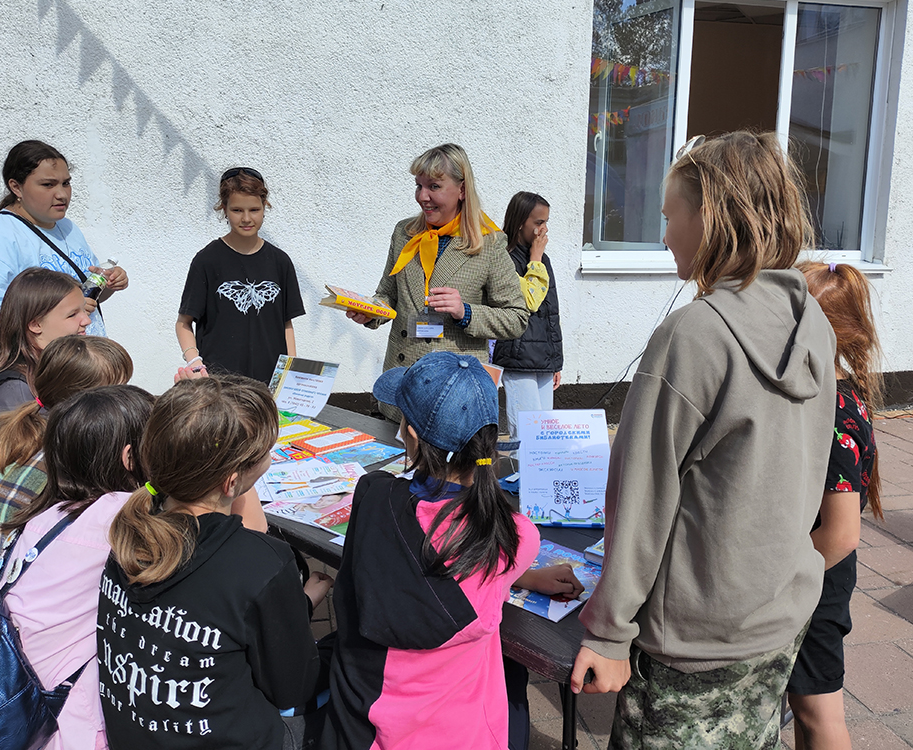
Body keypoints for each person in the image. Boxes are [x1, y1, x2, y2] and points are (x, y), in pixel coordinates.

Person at [569, 131, 837, 749]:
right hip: (778, 614)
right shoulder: (812, 321)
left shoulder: (693, 335)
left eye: (670, 217)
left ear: (710, 218)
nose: (664, 236)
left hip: (693, 638)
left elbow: (642, 496)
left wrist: (609, 633)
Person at [320, 351, 551, 749]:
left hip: (363, 727)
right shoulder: (515, 536)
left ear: (410, 435)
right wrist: (528, 576)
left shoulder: (373, 496)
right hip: (463, 735)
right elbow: (485, 570)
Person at [99, 375, 331, 749]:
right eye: (266, 452)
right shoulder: (262, 563)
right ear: (232, 482)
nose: (270, 459)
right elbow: (294, 688)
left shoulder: (128, 533)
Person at [0, 384, 156, 750]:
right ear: (130, 457)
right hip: (66, 718)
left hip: (16, 695)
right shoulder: (123, 515)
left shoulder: (46, 516)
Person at [346, 143, 528, 423]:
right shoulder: (404, 233)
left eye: (434, 186)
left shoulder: (488, 243)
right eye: (418, 186)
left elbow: (516, 318)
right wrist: (371, 312)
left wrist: (465, 312)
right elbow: (388, 294)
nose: (422, 196)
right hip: (401, 384)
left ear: (462, 190)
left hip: (452, 396)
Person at [787, 261, 883, 750]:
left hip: (817, 576)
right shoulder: (837, 392)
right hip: (816, 571)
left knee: (819, 711)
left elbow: (841, 533)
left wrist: (784, 580)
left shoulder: (835, 409)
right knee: (804, 703)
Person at [0, 139, 129, 402]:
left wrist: (107, 284)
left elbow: (86, 298)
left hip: (71, 377)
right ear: (16, 187)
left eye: (66, 183)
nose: (62, 194)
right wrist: (59, 314)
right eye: (48, 185)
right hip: (23, 385)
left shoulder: (68, 228)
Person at [0, 335, 133, 572]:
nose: (126, 398)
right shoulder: (63, 460)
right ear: (85, 404)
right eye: (118, 390)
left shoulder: (30, 437)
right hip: (7, 585)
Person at [0, 267, 91, 541]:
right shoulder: (11, 389)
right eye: (72, 315)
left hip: (40, 510)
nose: (86, 320)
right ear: (35, 325)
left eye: (85, 310)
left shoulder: (51, 371)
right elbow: (31, 463)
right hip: (8, 528)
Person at [176, 167, 305, 384]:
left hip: (269, 382)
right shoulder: (207, 260)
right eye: (237, 210)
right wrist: (195, 363)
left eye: (254, 209)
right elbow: (183, 323)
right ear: (224, 209)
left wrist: (289, 370)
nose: (246, 218)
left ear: (265, 207)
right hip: (220, 384)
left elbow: (286, 324)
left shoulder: (280, 262)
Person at [492, 191, 563, 438]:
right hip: (518, 357)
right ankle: (518, 467)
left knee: (543, 434)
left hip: (543, 359)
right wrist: (535, 258)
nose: (544, 229)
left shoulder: (543, 259)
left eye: (546, 222)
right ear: (521, 222)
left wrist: (555, 362)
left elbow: (550, 313)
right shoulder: (504, 258)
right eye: (539, 222)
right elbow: (530, 301)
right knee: (526, 434)